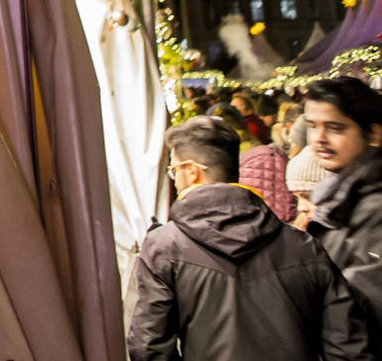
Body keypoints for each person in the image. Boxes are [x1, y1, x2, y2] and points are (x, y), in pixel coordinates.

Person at [128, 116, 369, 360]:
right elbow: (347, 345)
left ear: (191, 171)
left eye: (173, 170)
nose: (175, 179)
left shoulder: (165, 247)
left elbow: (150, 347)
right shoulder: (303, 246)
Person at [301, 76, 382, 320]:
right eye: (312, 126)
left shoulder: (374, 205)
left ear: (373, 134)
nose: (319, 139)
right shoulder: (339, 193)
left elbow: (365, 299)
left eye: (335, 128)